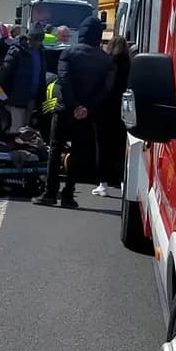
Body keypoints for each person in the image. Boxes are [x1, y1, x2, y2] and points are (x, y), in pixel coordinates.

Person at [34, 15, 113, 209]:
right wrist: (86, 107)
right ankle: (68, 195)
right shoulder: (106, 60)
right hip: (87, 113)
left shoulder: (68, 53)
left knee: (55, 148)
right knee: (78, 152)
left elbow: (64, 79)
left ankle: (50, 192)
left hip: (64, 108)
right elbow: (105, 89)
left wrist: (73, 104)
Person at [92, 35, 132, 197]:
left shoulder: (106, 63)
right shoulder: (130, 64)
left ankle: (103, 184)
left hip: (104, 109)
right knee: (121, 146)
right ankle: (123, 181)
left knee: (102, 146)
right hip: (122, 110)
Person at [0, 22, 47, 129]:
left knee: (26, 132)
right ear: (29, 37)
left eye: (40, 39)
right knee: (16, 130)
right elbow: (3, 72)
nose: (37, 42)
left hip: (32, 98)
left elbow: (41, 75)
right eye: (35, 39)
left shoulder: (41, 51)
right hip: (16, 98)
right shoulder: (17, 50)